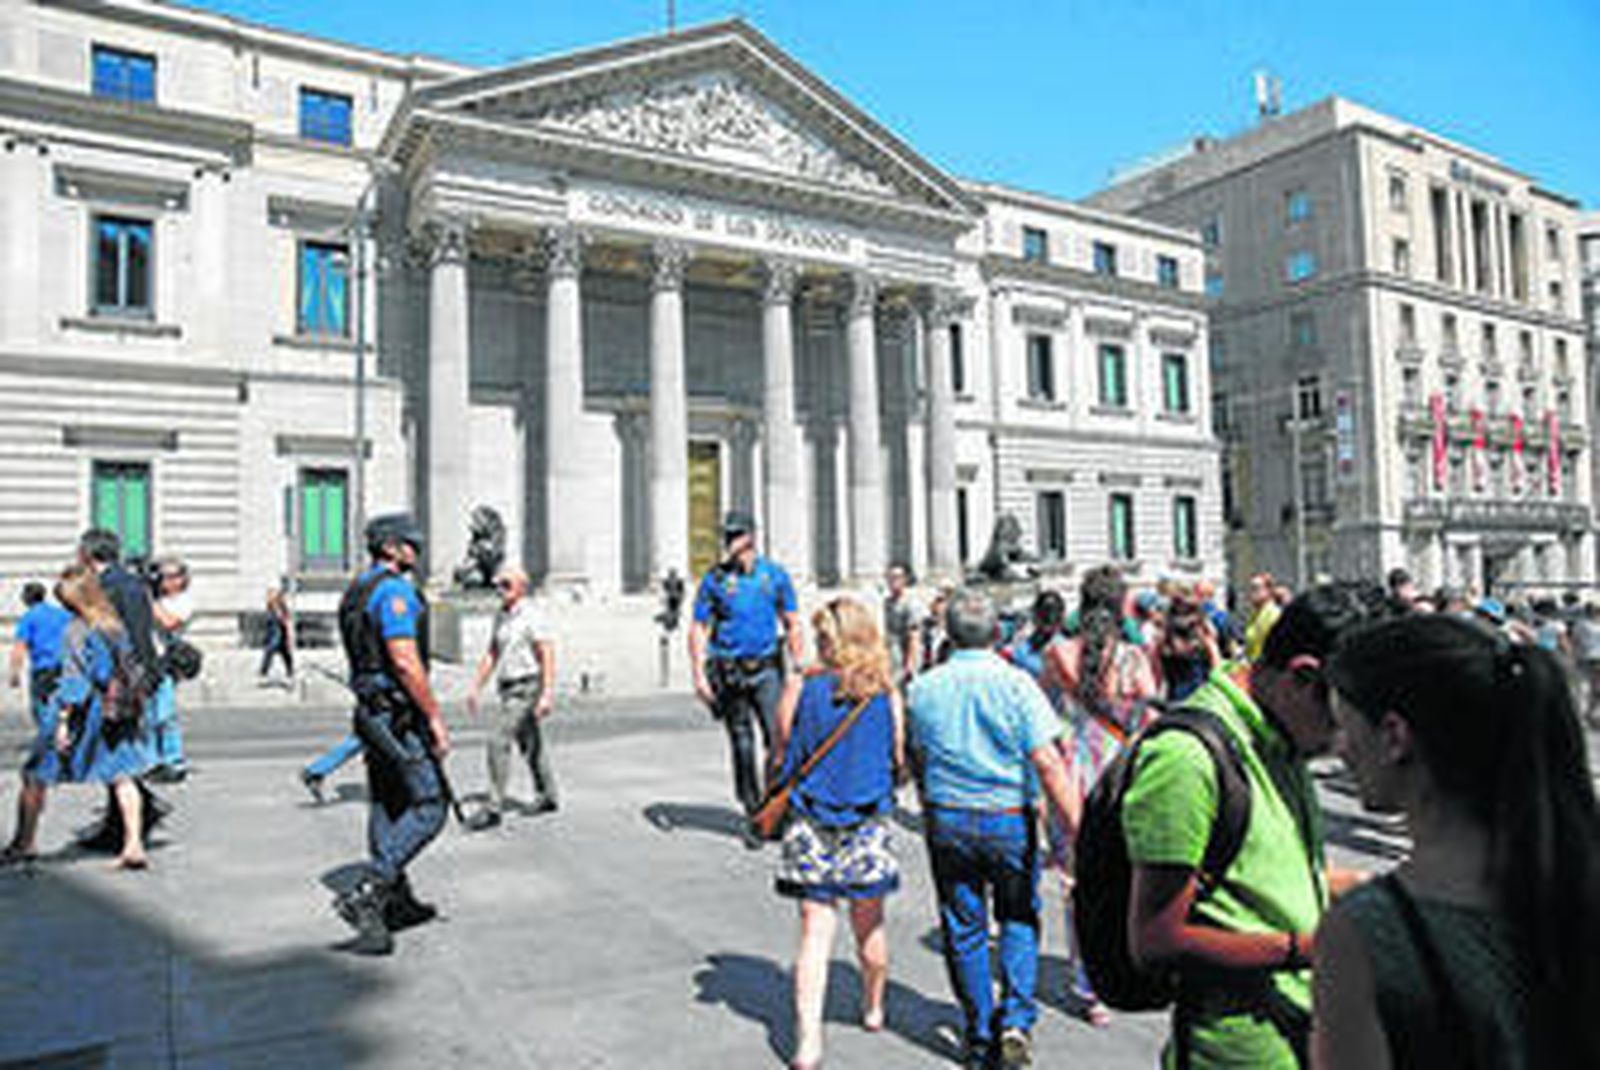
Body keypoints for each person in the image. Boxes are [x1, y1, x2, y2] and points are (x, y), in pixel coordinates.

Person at [1315, 615, 1600, 1069]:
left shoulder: (1365, 934)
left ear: (1393, 736)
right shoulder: (1575, 874)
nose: (1337, 748)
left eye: (1343, 726)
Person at [1122, 584, 1370, 1068]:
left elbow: (1253, 880)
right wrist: (1305, 950)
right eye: (1340, 722)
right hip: (1233, 1052)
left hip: (1299, 1035)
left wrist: (1362, 888)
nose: (1342, 745)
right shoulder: (1186, 760)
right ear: (1302, 676)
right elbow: (1154, 941)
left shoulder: (1281, 732)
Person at [906, 587, 1084, 1070]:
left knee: (963, 925)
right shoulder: (1016, 684)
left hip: (948, 814)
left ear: (949, 632)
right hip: (1007, 813)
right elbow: (1048, 762)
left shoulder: (923, 687)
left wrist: (928, 801)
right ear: (998, 632)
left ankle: (979, 1029)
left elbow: (915, 755)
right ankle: (1016, 1022)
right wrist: (1078, 830)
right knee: (1018, 917)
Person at [769, 598, 905, 1070]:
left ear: (829, 640)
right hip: (867, 819)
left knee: (814, 934)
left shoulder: (799, 688)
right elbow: (899, 757)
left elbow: (781, 750)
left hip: (810, 822)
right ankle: (873, 1005)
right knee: (870, 924)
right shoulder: (886, 693)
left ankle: (808, 1042)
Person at [1041, 564, 1158, 1025]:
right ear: (1120, 605)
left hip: (1073, 774)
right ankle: (1124, 966)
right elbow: (1148, 711)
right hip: (1121, 773)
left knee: (1076, 883)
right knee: (1127, 873)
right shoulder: (1134, 656)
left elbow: (1043, 709)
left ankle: (1089, 987)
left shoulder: (1057, 652)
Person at [331, 513, 451, 956]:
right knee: (431, 804)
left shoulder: (357, 590)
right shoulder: (395, 591)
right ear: (393, 548)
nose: (417, 553)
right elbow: (404, 660)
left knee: (388, 801)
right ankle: (369, 890)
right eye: (411, 544)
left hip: (370, 712)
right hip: (397, 716)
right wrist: (434, 717)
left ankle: (394, 904)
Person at [2, 565, 154, 869]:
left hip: (86, 713)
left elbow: (75, 683)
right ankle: (134, 844)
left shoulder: (76, 630)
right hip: (114, 710)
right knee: (123, 775)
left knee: (35, 775)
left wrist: (62, 721)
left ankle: (24, 843)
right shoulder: (114, 625)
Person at [688, 510, 802, 837]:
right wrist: (698, 675)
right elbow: (698, 627)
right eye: (725, 535)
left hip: (766, 669)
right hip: (730, 672)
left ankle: (778, 806)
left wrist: (798, 665)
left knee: (778, 739)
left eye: (734, 535)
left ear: (750, 537)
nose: (727, 542)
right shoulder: (715, 579)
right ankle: (754, 813)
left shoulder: (774, 576)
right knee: (742, 743)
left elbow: (791, 620)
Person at [74, 528, 167, 855]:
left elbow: (118, 636)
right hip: (131, 677)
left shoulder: (107, 588)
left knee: (115, 752)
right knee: (117, 751)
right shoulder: (130, 584)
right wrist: (150, 673)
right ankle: (123, 825)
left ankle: (131, 825)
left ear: (87, 555)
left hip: (116, 682)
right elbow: (142, 633)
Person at [464, 567, 558, 830]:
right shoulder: (502, 616)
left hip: (528, 685)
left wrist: (547, 693)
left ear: (521, 587)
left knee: (498, 739)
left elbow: (546, 653)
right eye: (497, 584)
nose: (499, 589)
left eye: (505, 584)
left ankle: (493, 807)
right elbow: (492, 652)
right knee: (530, 742)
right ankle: (548, 795)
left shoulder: (532, 615)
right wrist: (476, 687)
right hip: (507, 686)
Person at [146, 558, 194, 782]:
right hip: (148, 660)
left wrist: (147, 598)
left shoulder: (184, 601)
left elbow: (168, 622)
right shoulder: (158, 599)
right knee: (149, 714)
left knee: (165, 714)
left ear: (181, 579)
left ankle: (175, 761)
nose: (164, 580)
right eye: (162, 575)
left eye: (169, 575)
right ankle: (155, 760)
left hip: (166, 662)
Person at [10, 581, 70, 729]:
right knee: (60, 703)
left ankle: (47, 738)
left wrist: (15, 673)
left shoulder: (29, 617)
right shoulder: (61, 613)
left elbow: (20, 646)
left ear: (26, 599)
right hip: (64, 665)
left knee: (40, 706)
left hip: (42, 668)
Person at [1158, 583, 1222, 703]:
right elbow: (1215, 660)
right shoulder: (1201, 626)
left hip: (1175, 695)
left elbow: (1157, 666)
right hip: (1199, 693)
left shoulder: (1168, 627)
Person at [881, 563, 923, 688]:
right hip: (892, 653)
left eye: (897, 577)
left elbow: (914, 634)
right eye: (890, 578)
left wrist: (910, 662)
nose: (894, 581)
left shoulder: (910, 603)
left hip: (905, 654)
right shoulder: (887, 603)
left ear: (904, 580)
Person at [1243, 571, 1282, 663]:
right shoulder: (1255, 614)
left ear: (1268, 590)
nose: (1251, 593)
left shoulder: (1273, 613)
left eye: (1256, 588)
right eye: (1250, 589)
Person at [259, 585, 295, 683]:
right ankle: (264, 673)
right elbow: (269, 624)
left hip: (281, 636)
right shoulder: (271, 610)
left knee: (286, 655)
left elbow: (286, 620)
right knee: (270, 652)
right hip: (274, 636)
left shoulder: (282, 608)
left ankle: (290, 673)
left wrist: (283, 619)